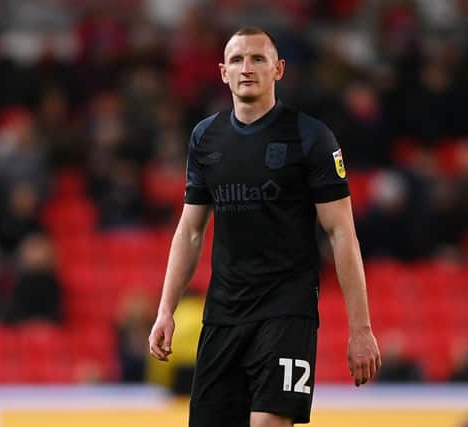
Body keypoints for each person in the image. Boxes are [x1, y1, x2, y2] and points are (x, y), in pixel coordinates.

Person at [148, 27, 381, 427]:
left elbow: (342, 233)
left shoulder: (311, 137)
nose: (247, 68)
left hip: (286, 312)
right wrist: (165, 309)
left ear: (279, 69)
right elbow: (190, 230)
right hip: (223, 314)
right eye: (237, 60)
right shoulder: (206, 137)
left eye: (258, 58)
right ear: (223, 72)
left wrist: (361, 329)